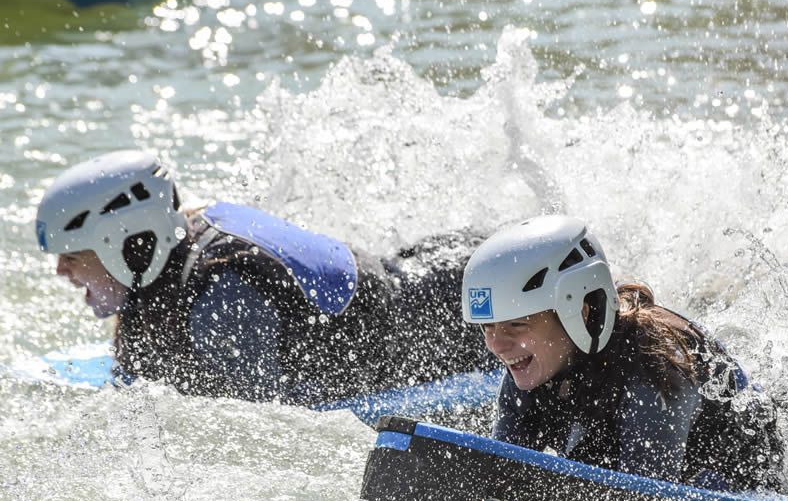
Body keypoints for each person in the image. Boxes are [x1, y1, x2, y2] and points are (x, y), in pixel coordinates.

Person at [37, 150, 497, 405]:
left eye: (73, 256)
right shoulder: (163, 269)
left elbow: (266, 428)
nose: (61, 271)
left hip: (458, 304)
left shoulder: (222, 297)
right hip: (428, 270)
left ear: (127, 243)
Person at [461, 214, 788, 494]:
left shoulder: (654, 366)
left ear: (578, 310)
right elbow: (505, 477)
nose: (496, 345)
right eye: (488, 328)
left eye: (516, 325)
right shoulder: (537, 364)